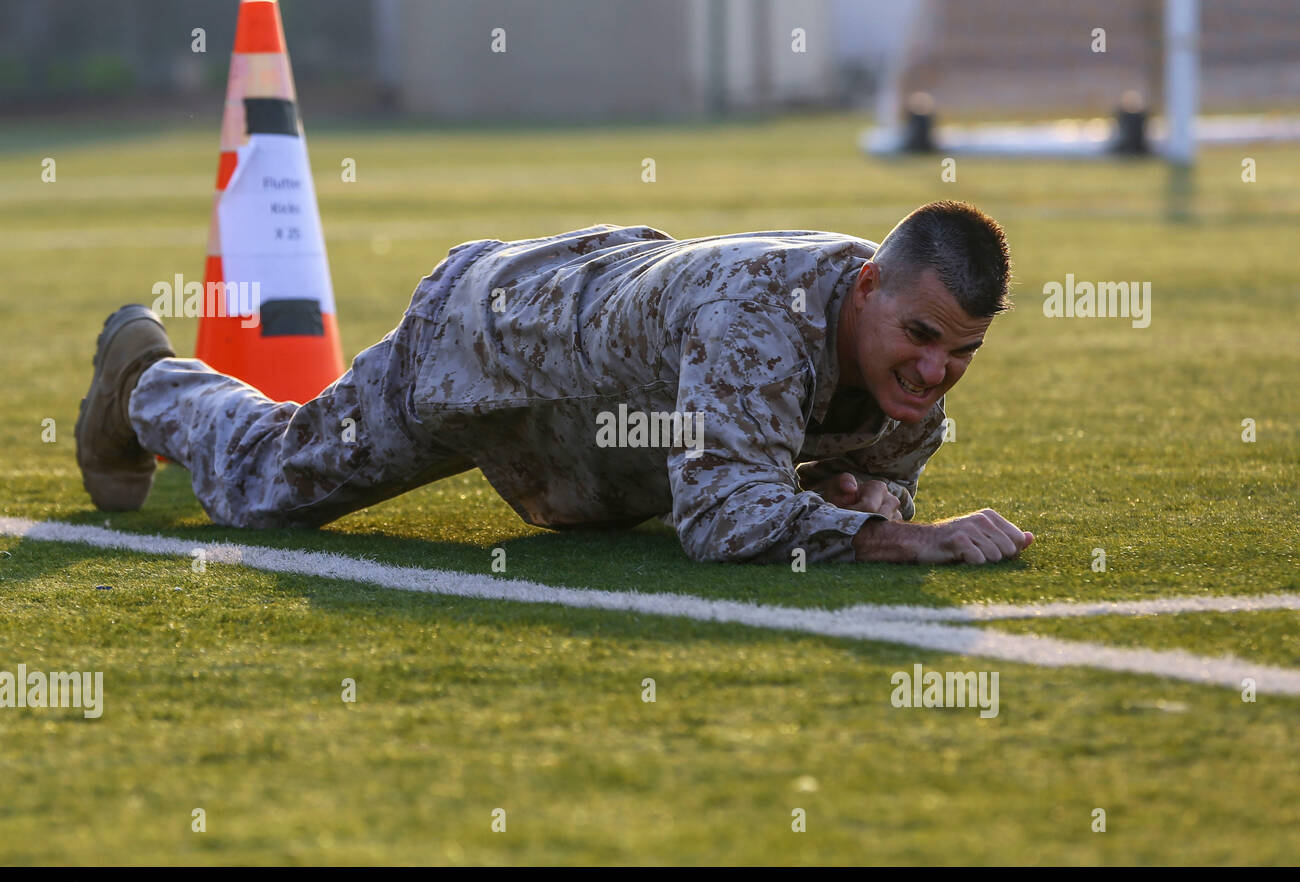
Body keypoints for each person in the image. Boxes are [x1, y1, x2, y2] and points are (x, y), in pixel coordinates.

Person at [75, 200, 1033, 565]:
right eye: (919, 337)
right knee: (263, 489)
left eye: (962, 354)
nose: (935, 373)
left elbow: (863, 465)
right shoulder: (762, 318)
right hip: (489, 344)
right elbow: (726, 522)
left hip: (597, 426)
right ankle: (146, 379)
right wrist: (897, 535)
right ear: (868, 285)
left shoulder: (912, 364)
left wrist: (870, 491)